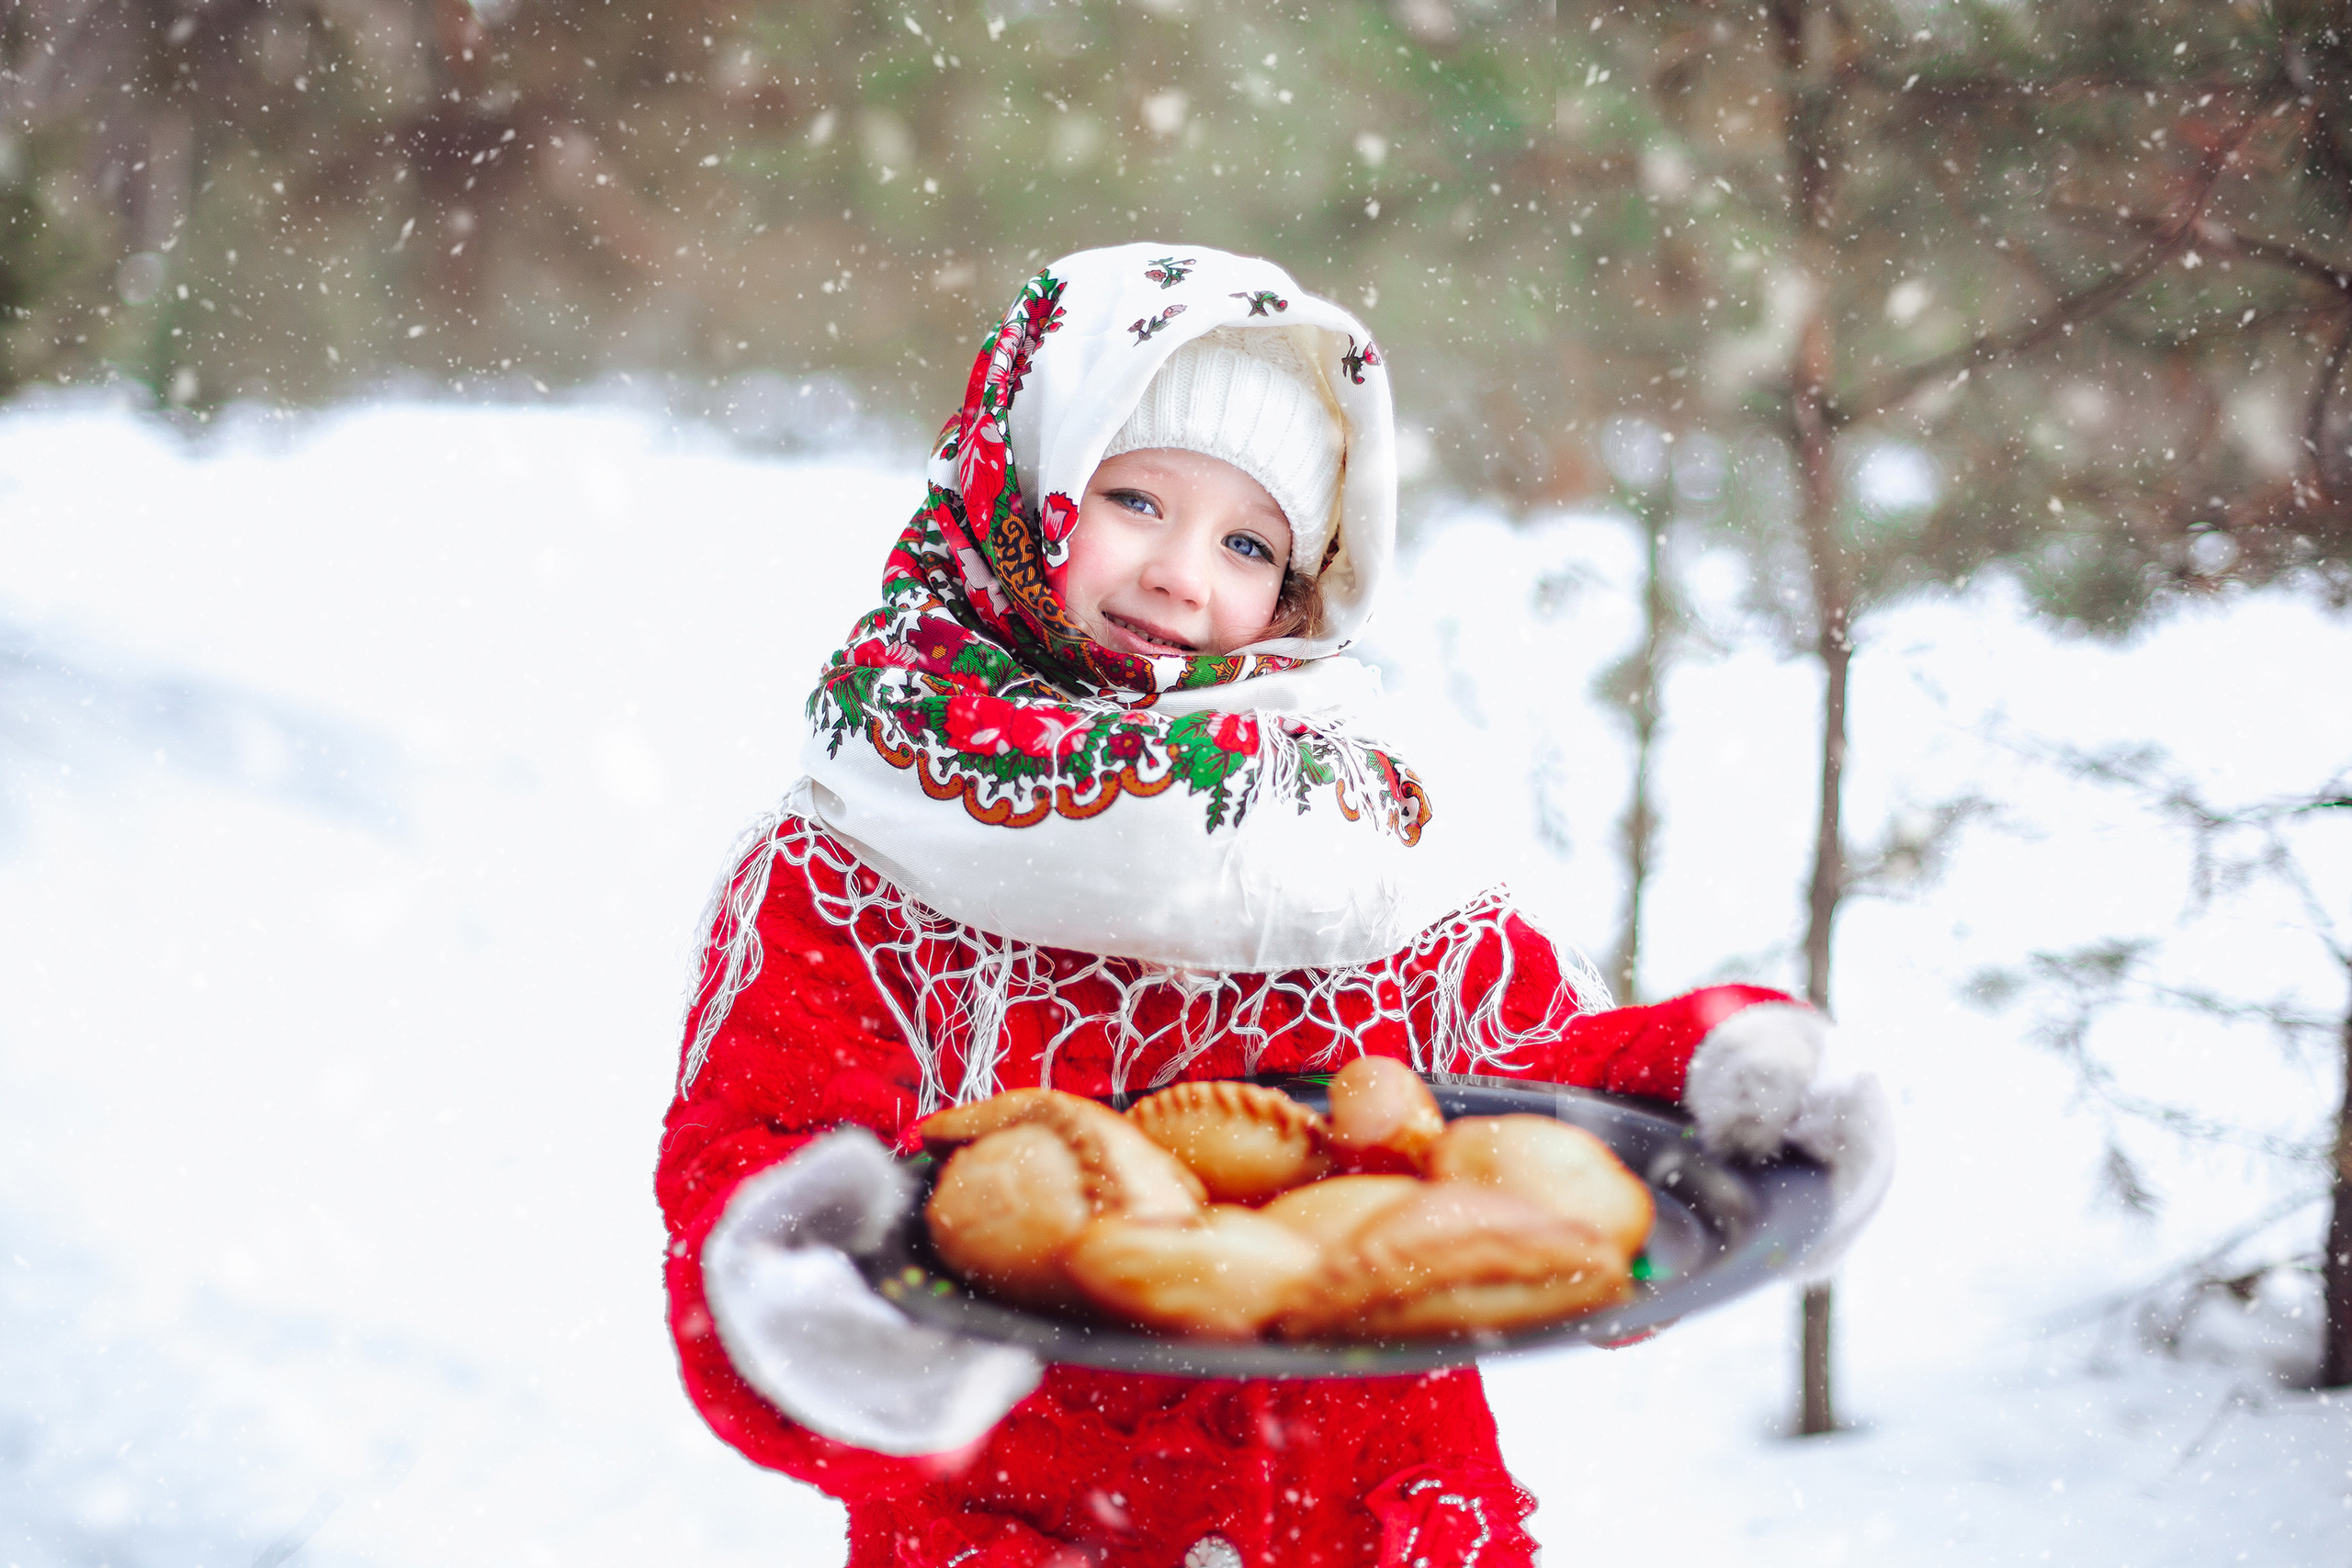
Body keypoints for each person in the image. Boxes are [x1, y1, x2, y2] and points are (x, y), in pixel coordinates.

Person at [656, 242, 1888, 1568]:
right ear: (1019, 479)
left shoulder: (1351, 827)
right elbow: (757, 1160)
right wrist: (803, 1308)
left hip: (1381, 1521)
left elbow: (1538, 1091)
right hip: (1020, 1527)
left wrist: (1719, 1077)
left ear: (1304, 587)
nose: (1183, 576)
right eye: (1134, 498)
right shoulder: (855, 854)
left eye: (1248, 542)